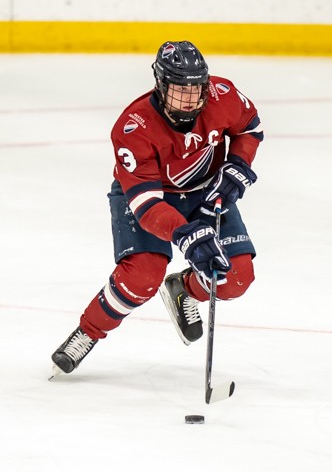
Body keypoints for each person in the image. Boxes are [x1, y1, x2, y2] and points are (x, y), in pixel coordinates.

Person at [50, 40, 264, 378]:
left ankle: (184, 290)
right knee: (143, 276)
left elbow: (249, 128)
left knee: (236, 277)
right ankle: (88, 332)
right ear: (161, 84)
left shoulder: (223, 94)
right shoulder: (133, 127)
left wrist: (237, 165)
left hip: (206, 192)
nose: (190, 98)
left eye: (196, 89)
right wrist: (185, 234)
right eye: (180, 89)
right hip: (149, 197)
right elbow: (148, 206)